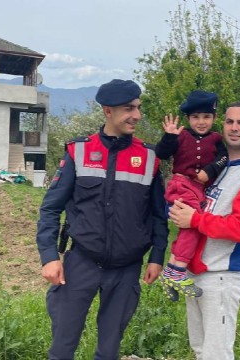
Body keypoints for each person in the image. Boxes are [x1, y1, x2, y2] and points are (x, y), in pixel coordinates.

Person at [35, 79, 169, 360]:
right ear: (108, 111)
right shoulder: (78, 151)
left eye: (138, 108)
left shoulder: (149, 157)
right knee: (62, 347)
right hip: (81, 264)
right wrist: (49, 256)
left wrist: (157, 256)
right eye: (129, 109)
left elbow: (159, 214)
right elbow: (50, 209)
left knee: (109, 351)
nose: (137, 115)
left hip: (126, 269)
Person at [168, 101, 240, 359]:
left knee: (216, 353)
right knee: (201, 349)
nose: (234, 128)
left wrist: (194, 220)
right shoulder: (220, 168)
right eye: (229, 121)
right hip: (198, 272)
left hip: (222, 277)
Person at [155, 90, 228, 301]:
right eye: (196, 117)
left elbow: (224, 157)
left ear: (214, 118)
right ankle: (177, 272)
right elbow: (162, 153)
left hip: (200, 189)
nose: (201, 122)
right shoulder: (181, 136)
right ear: (188, 119)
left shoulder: (216, 139)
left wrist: (211, 170)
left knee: (190, 228)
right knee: (193, 226)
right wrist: (169, 136)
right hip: (181, 185)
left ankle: (171, 271)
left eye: (206, 117)